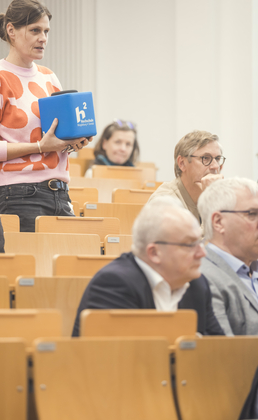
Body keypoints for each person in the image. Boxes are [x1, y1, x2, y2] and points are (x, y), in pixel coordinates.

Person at [0, 0, 91, 232]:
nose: (43, 38)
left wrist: (71, 143)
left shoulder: (49, 77)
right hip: (17, 195)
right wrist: (40, 147)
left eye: (46, 31)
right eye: (35, 30)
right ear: (11, 30)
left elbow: (53, 142)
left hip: (60, 194)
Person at [72, 196, 224, 336]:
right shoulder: (114, 284)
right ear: (154, 253)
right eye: (190, 244)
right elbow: (124, 358)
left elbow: (216, 351)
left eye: (199, 242)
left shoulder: (197, 284)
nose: (202, 253)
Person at [197, 177, 258, 335]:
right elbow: (225, 354)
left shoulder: (253, 267)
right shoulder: (201, 278)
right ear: (218, 222)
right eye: (252, 214)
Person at [148, 130, 225, 223]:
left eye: (217, 159)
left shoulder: (223, 196)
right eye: (205, 158)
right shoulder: (163, 201)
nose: (216, 166)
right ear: (182, 163)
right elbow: (192, 238)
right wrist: (211, 202)